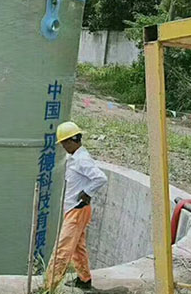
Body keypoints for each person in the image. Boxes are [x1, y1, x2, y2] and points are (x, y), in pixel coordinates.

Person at [45, 121, 108, 291]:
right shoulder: (76, 157)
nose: (63, 146)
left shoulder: (81, 160)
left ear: (71, 141)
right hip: (74, 209)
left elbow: (100, 178)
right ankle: (84, 279)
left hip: (77, 210)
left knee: (62, 249)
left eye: (64, 143)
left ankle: (48, 286)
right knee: (78, 248)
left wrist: (87, 192)